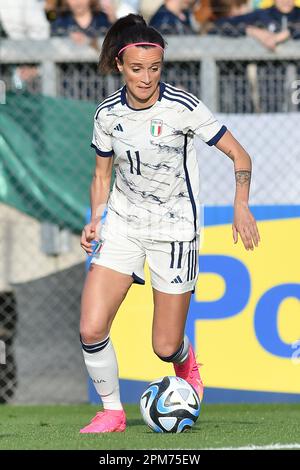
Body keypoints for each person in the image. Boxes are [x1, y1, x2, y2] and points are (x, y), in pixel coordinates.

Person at [79, 13, 260, 433]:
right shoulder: (107, 115)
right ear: (121, 66)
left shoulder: (183, 107)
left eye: (155, 68)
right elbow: (101, 176)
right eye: (138, 69)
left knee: (163, 345)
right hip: (123, 224)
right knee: (91, 327)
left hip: (175, 229)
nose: (146, 78)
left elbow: (240, 155)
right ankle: (112, 411)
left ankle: (184, 362)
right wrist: (96, 219)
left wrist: (241, 203)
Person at [210, 0, 300, 47]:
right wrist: (252, 31)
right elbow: (220, 25)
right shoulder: (262, 15)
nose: (286, 1)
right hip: (267, 77)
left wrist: (284, 35)